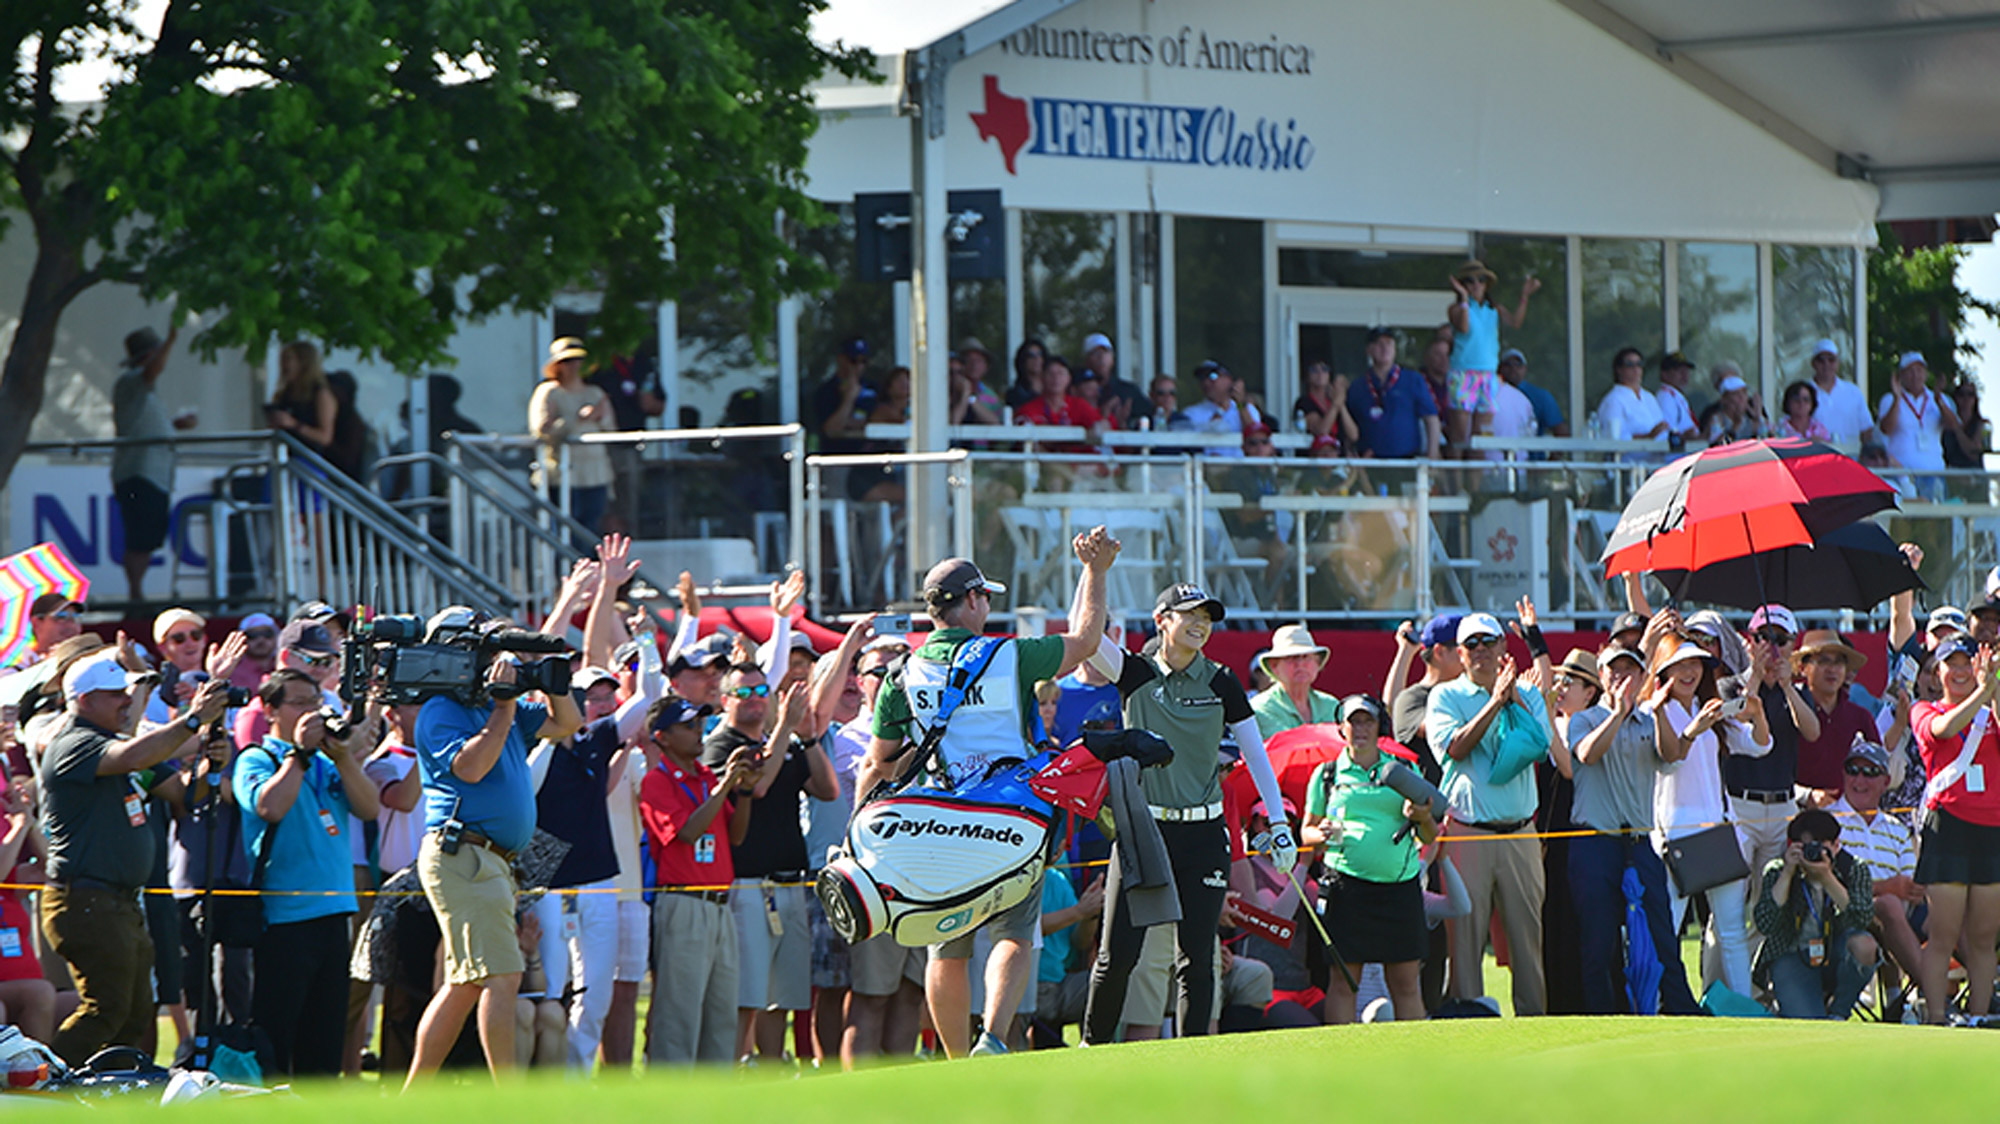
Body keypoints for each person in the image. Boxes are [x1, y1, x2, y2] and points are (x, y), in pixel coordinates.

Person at [855, 533, 1120, 1058]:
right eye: (986, 597)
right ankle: (993, 1040)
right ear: (973, 600)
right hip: (1013, 818)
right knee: (1014, 935)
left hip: (940, 821)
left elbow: (880, 760)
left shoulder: (901, 674)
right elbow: (1087, 641)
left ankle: (957, 1059)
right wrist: (1096, 570)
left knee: (946, 948)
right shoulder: (1010, 654)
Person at [1078, 582, 1294, 1045]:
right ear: (1162, 621)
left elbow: (1256, 754)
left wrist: (1278, 822)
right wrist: (1094, 571)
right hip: (1144, 831)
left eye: (1207, 617)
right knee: (1117, 955)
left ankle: (1195, 1060)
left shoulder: (1221, 680)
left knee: (1197, 959)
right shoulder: (1133, 671)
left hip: (1204, 834)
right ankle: (1091, 1050)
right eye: (1189, 615)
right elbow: (1087, 638)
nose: (1200, 624)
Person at [402, 609, 584, 1087]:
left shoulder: (498, 706)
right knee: (503, 977)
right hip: (464, 853)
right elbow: (471, 768)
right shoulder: (442, 709)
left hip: (489, 861)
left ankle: (410, 1099)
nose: (495, 659)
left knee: (464, 985)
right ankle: (508, 1101)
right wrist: (504, 706)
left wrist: (551, 679)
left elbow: (567, 722)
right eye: (486, 649)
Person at [40, 654, 229, 1065]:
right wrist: (192, 721)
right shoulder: (75, 742)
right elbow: (132, 758)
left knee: (135, 1013)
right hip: (85, 898)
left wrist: (211, 763)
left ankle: (111, 1087)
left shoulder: (114, 745)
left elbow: (182, 793)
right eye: (115, 695)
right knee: (107, 1009)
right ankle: (43, 1082)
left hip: (116, 902)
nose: (127, 700)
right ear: (85, 700)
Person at [236, 669, 381, 1075]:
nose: (310, 712)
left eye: (315, 703)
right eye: (298, 703)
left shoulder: (326, 762)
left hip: (335, 913)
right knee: (278, 1036)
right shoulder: (257, 759)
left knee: (325, 1039)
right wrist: (298, 753)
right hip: (284, 919)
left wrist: (344, 757)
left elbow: (369, 808)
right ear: (270, 710)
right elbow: (270, 807)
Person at [1556, 645, 1699, 1015]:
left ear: (1641, 677)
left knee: (1662, 933)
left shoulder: (1648, 720)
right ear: (1601, 676)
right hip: (1594, 843)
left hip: (1638, 842)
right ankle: (1603, 1016)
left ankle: (1681, 1009)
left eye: (1629, 670)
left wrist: (1661, 710)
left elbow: (1671, 755)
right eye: (1613, 670)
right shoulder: (1584, 719)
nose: (1621, 677)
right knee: (1599, 941)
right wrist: (1618, 713)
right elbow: (1587, 754)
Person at [1424, 609, 1553, 1014]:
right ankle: (1468, 1019)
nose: (1481, 650)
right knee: (1464, 941)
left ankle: (1535, 1026)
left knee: (1528, 941)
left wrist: (1513, 699)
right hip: (1468, 832)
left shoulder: (1527, 693)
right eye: (1472, 644)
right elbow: (1455, 748)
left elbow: (1542, 744)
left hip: (1520, 832)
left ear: (1502, 646)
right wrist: (1496, 703)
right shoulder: (1445, 696)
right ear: (1460, 654)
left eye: (1488, 641)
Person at [700, 662, 830, 1062]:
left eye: (760, 691)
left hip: (790, 883)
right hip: (748, 885)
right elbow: (757, 788)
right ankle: (737, 1066)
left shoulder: (784, 742)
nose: (754, 699)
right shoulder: (722, 746)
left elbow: (827, 790)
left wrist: (808, 738)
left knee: (783, 995)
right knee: (748, 993)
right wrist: (785, 727)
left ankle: (772, 1068)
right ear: (725, 700)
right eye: (743, 692)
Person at [639, 696, 759, 1063]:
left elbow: (736, 836)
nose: (698, 732)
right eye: (688, 726)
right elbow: (688, 832)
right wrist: (726, 785)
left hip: (720, 904)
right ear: (662, 737)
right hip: (684, 904)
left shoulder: (705, 777)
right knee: (680, 1014)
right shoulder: (656, 782)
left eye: (700, 724)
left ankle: (716, 1092)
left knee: (721, 1014)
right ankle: (672, 1092)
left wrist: (745, 790)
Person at [1306, 694, 1438, 1022]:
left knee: (1406, 983)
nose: (1361, 729)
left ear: (1381, 727)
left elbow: (1429, 835)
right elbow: (1305, 832)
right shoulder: (1327, 774)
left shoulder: (1404, 770)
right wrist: (1320, 834)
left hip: (1399, 887)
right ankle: (1341, 1053)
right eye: (1354, 722)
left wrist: (1421, 816)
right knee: (1343, 981)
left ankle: (1416, 1052)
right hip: (1345, 887)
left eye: (1368, 721)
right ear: (1342, 727)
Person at [1648, 636, 1766, 999]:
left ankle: (1744, 1008)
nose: (1689, 672)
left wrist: (1758, 714)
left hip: (1718, 833)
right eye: (1680, 665)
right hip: (1674, 837)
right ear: (1663, 671)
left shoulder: (1711, 709)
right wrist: (1691, 728)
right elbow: (1669, 760)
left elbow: (1760, 745)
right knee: (1667, 927)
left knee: (1732, 931)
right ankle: (1657, 1005)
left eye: (1695, 664)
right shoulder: (1654, 711)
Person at [1911, 636, 2000, 1025]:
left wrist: (1993, 689)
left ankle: (1979, 1018)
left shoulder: (1991, 708)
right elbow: (1945, 730)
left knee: (1984, 939)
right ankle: (1935, 1018)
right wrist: (1983, 692)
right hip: (1948, 826)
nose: (1962, 671)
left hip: (1992, 829)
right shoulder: (1923, 709)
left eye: (1969, 663)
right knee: (1943, 935)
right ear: (1937, 672)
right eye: (1953, 664)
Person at [1752, 808, 1877, 1019]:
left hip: (1836, 953)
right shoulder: (1777, 870)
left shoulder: (1853, 869)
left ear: (1836, 845)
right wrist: (1787, 874)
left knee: (1864, 945)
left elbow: (1862, 918)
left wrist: (1827, 878)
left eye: (1821, 846)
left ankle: (1839, 1013)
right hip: (1793, 955)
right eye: (1807, 847)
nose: (1814, 853)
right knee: (1809, 1024)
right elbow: (1766, 924)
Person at [1825, 738, 1922, 999]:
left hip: (1901, 913)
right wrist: (1886, 888)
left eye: (1870, 772)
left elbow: (1910, 884)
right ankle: (1935, 999)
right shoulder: (1828, 822)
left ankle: (1981, 1000)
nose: (1859, 779)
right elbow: (1827, 884)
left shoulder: (1897, 828)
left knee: (1948, 913)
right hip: (1845, 914)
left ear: (1886, 781)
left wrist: (1907, 890)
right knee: (1889, 904)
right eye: (1853, 770)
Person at [110, 324, 188, 600]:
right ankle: (136, 594)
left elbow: (140, 423)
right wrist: (171, 340)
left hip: (152, 472)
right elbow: (152, 371)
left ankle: (137, 594)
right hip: (140, 470)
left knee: (146, 537)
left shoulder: (143, 390)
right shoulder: (132, 381)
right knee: (139, 539)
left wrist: (173, 426)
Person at [1444, 260, 1539, 455]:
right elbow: (1464, 327)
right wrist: (1464, 298)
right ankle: (1455, 476)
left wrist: (1524, 296)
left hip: (1487, 375)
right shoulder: (1457, 308)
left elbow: (1515, 322)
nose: (1476, 285)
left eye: (1481, 280)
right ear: (1462, 285)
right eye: (1470, 281)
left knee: (1482, 438)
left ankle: (1476, 477)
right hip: (1463, 374)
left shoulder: (1494, 309)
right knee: (1459, 437)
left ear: (1486, 284)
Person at [528, 337, 614, 539]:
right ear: (557, 365)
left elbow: (610, 429)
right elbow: (541, 431)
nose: (574, 365)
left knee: (591, 530)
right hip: (562, 473)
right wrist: (575, 419)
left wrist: (598, 416)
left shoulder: (595, 392)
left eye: (578, 360)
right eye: (567, 361)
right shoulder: (548, 392)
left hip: (595, 473)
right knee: (564, 531)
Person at [1791, 630, 1877, 808]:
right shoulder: (1786, 711)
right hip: (1794, 813)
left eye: (1839, 662)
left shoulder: (1860, 717)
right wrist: (1806, 795)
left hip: (1848, 817)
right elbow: (1770, 773)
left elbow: (1878, 770)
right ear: (1802, 668)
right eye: (1823, 661)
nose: (1832, 669)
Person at [586, 344, 665, 533]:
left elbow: (658, 405)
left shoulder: (644, 364)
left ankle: (629, 541)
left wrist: (649, 401)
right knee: (602, 501)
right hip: (600, 446)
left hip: (631, 445)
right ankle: (599, 542)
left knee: (628, 500)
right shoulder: (601, 363)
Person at [1877, 351, 1968, 500]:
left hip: (1934, 473)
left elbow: (1954, 426)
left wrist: (1939, 400)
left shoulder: (1938, 398)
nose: (1915, 375)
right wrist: (1897, 399)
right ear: (1901, 375)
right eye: (1910, 371)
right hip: (1903, 477)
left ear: (1925, 374)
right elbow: (1886, 429)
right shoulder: (1889, 399)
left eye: (1919, 370)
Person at [1345, 328, 1441, 461]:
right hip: (1369, 461)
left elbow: (1431, 419)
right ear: (1369, 350)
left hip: (1406, 460)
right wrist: (1349, 452)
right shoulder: (1357, 386)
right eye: (1379, 344)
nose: (1385, 348)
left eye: (1389, 343)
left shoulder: (1413, 379)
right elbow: (1349, 426)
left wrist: (1432, 456)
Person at [1250, 623, 1339, 737]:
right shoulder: (1260, 709)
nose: (1300, 664)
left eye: (1306, 656)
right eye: (1291, 657)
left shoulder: (1332, 706)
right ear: (1274, 666)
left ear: (1317, 663)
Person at [267, 340, 339, 460]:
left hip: (310, 458)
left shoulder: (320, 395)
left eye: (289, 359)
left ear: (303, 363)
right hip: (286, 456)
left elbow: (325, 437)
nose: (284, 365)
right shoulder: (284, 394)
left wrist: (294, 424)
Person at [1180, 361, 1264, 455]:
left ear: (1230, 380)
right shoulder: (1191, 413)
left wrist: (1240, 404)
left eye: (1213, 376)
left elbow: (1256, 436)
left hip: (1240, 463)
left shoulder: (1245, 408)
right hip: (1207, 463)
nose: (1206, 382)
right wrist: (1217, 415)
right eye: (1202, 378)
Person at [1595, 347, 1668, 453]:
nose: (1636, 369)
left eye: (1639, 364)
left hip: (1661, 457)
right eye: (1630, 364)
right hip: (1631, 461)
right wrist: (1648, 437)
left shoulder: (1649, 397)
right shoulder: (1613, 400)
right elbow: (1614, 441)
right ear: (1619, 370)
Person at [1805, 338, 1873, 447]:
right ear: (1813, 364)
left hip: (1850, 455)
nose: (1826, 364)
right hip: (1815, 454)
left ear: (1837, 363)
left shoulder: (1853, 392)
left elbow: (1866, 429)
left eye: (1831, 359)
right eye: (1821, 360)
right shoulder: (1804, 393)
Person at [1498, 349, 1567, 439]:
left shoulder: (1541, 397)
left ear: (1525, 369)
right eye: (1507, 364)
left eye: (1518, 364)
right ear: (1499, 368)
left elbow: (1562, 432)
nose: (1513, 368)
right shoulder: (1490, 394)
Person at [1294, 361, 1356, 449]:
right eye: (1314, 370)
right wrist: (1335, 405)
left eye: (1324, 369)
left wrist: (1341, 404)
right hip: (1317, 454)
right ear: (1307, 375)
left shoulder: (1333, 401)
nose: (1320, 373)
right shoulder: (1304, 402)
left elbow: (1353, 435)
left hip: (1339, 453)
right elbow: (1322, 431)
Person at [1653, 351, 1702, 449]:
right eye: (1678, 370)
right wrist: (1686, 436)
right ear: (1664, 374)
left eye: (1686, 370)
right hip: (1676, 454)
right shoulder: (1665, 397)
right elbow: (1668, 434)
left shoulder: (1676, 395)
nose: (1684, 375)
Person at [1704, 375, 1764, 444]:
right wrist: (1736, 425)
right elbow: (1718, 445)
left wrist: (1758, 419)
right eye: (1736, 393)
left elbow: (1767, 439)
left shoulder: (1750, 418)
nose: (1741, 397)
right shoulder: (1717, 419)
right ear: (1724, 399)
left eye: (1744, 392)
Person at [1005, 339, 1047, 409]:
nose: (1036, 358)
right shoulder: (1015, 394)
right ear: (1023, 360)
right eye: (1031, 355)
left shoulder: (1054, 387)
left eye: (1040, 354)